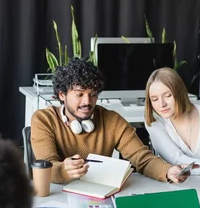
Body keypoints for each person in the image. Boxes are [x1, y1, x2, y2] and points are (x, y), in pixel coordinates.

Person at [31, 58, 191, 184]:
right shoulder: (44, 120)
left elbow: (141, 158)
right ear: (61, 95)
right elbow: (46, 166)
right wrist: (64, 170)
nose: (87, 101)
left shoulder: (112, 120)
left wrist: (168, 171)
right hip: (57, 194)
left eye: (93, 94)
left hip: (98, 193)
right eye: (79, 94)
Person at [144, 68, 200, 175]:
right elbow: (176, 159)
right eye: (154, 99)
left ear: (180, 92)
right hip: (180, 187)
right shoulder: (154, 122)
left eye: (168, 95)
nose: (161, 104)